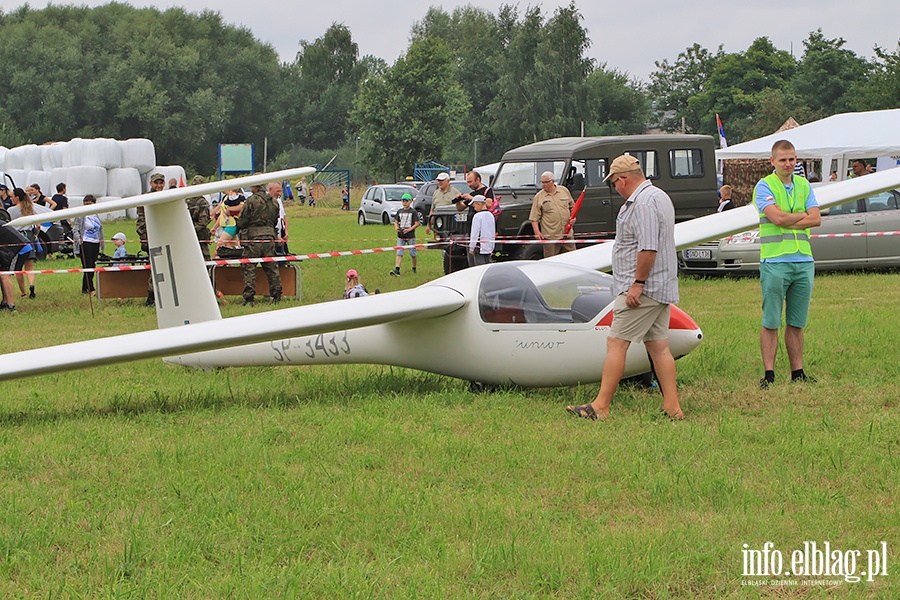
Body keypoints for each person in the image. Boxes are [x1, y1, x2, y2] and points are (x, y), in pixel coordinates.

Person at [566, 154, 683, 421]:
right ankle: (672, 407)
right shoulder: (659, 195)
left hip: (643, 288)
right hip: (660, 285)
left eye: (615, 182)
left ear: (624, 179)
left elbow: (648, 247)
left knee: (616, 343)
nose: (616, 188)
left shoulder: (641, 203)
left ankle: (601, 406)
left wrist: (637, 285)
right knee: (659, 346)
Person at [754, 140, 821, 390]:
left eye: (792, 159)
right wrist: (800, 217)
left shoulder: (803, 184)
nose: (788, 164)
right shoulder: (764, 186)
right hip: (774, 261)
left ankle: (798, 372)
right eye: (783, 160)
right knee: (771, 320)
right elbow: (777, 218)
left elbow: (817, 219)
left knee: (797, 322)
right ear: (772, 161)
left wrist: (789, 220)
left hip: (803, 260)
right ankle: (769, 374)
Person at [235, 181, 282, 305]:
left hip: (253, 239)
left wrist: (237, 223)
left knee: (249, 267)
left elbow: (243, 220)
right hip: (270, 237)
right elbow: (275, 220)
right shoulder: (274, 201)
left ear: (255, 186)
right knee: (271, 268)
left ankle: (249, 298)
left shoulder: (251, 200)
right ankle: (276, 295)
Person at [7, 187, 53, 299]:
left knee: (18, 269)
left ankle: (23, 293)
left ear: (17, 198)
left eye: (12, 196)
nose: (11, 198)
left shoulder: (10, 210)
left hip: (17, 239)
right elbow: (38, 225)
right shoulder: (30, 208)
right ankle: (31, 285)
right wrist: (36, 235)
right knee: (29, 267)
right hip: (29, 238)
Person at [529, 171, 576, 257]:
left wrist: (573, 217)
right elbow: (534, 218)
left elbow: (572, 206)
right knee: (551, 262)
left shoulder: (564, 190)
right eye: (542, 182)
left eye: (546, 182)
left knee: (572, 259)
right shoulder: (539, 197)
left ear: (553, 181)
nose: (543, 185)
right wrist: (537, 232)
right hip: (551, 237)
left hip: (567, 234)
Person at [136, 172, 166, 305]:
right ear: (151, 184)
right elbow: (141, 222)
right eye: (156, 183)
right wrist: (146, 238)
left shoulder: (167, 196)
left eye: (161, 183)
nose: (159, 185)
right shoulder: (145, 199)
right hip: (152, 238)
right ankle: (152, 296)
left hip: (165, 236)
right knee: (156, 268)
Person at [453, 170, 494, 266]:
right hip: (470, 229)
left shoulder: (487, 191)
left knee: (482, 260)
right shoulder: (472, 193)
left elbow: (488, 203)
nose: (469, 184)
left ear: (478, 179)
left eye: (470, 181)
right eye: (467, 182)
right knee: (471, 259)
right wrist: (458, 200)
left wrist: (472, 198)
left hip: (482, 232)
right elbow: (460, 208)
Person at [72, 195, 104, 295]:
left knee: (92, 266)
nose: (87, 204)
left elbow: (100, 230)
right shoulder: (81, 215)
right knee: (88, 266)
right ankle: (91, 289)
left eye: (90, 203)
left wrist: (101, 245)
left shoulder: (96, 215)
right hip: (85, 243)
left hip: (95, 243)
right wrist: (79, 239)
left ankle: (85, 288)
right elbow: (75, 229)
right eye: (86, 203)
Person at [390, 193, 419, 276]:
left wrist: (409, 229)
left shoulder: (413, 212)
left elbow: (417, 223)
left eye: (406, 201)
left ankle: (414, 268)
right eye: (403, 201)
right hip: (401, 236)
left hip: (410, 236)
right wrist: (396, 228)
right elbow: (396, 221)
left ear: (410, 201)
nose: (405, 203)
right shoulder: (399, 211)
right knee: (399, 252)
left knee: (412, 253)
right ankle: (397, 269)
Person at [185, 175, 212, 260]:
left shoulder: (186, 200)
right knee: (205, 259)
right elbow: (203, 222)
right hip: (199, 236)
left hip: (187, 234)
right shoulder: (202, 202)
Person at [213, 189, 244, 256]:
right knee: (236, 249)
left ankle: (214, 264)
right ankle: (243, 262)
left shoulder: (236, 196)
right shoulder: (225, 197)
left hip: (232, 225)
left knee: (219, 246)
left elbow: (242, 206)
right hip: (225, 225)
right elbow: (221, 214)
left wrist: (229, 209)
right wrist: (215, 227)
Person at [468, 195, 495, 266]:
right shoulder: (491, 215)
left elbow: (475, 233)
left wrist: (471, 247)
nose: (474, 208)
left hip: (479, 247)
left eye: (474, 206)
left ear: (479, 204)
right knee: (488, 264)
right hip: (489, 247)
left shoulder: (477, 216)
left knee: (480, 266)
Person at [267, 181, 289, 255]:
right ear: (270, 190)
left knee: (282, 259)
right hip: (270, 237)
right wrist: (276, 237)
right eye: (278, 191)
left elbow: (284, 218)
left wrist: (286, 232)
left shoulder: (279, 201)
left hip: (280, 236)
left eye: (281, 191)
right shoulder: (265, 203)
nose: (279, 194)